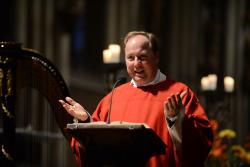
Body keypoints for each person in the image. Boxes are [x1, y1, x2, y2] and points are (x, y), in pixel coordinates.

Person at [59, 31, 213, 167]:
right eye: (130, 58)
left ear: (156, 57)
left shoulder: (179, 93)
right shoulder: (113, 97)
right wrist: (86, 121)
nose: (136, 64)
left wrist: (177, 123)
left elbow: (200, 148)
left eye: (142, 57)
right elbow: (93, 151)